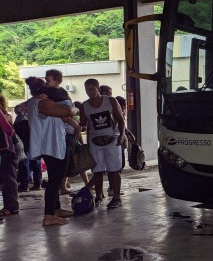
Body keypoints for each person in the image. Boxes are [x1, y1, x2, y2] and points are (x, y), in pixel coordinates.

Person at [27, 84, 78, 226]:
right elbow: (69, 112)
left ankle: (55, 209)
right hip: (51, 147)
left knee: (55, 179)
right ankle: (49, 215)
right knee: (55, 181)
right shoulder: (42, 104)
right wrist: (72, 108)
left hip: (52, 146)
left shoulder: (33, 102)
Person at [81, 79, 125, 209]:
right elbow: (84, 125)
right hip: (95, 141)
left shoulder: (110, 101)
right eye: (87, 90)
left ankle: (116, 197)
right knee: (97, 170)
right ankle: (98, 196)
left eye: (91, 89)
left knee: (114, 169)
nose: (89, 93)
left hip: (112, 139)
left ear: (98, 88)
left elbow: (120, 119)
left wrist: (121, 135)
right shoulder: (84, 106)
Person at [0, 94, 20, 216]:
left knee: (8, 178)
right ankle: (10, 206)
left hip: (7, 148)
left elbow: (9, 129)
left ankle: (11, 207)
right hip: (5, 147)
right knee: (6, 178)